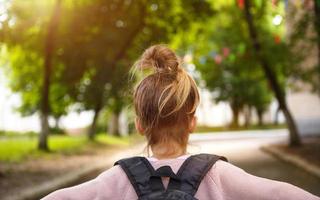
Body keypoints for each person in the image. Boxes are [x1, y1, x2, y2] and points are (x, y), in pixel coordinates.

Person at [43, 45, 319, 200]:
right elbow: (280, 193)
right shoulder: (218, 175)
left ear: (140, 125)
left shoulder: (116, 180)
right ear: (192, 123)